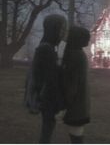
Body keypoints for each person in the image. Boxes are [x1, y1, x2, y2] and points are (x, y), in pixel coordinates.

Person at [25, 14, 67, 143]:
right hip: (47, 98)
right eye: (61, 30)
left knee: (48, 128)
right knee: (47, 130)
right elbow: (50, 78)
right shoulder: (46, 49)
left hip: (46, 97)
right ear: (53, 29)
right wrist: (59, 102)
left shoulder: (47, 46)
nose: (63, 33)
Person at [62, 26, 91, 144]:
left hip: (76, 105)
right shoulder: (78, 54)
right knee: (76, 136)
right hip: (80, 103)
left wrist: (65, 102)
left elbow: (72, 84)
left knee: (76, 138)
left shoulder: (75, 55)